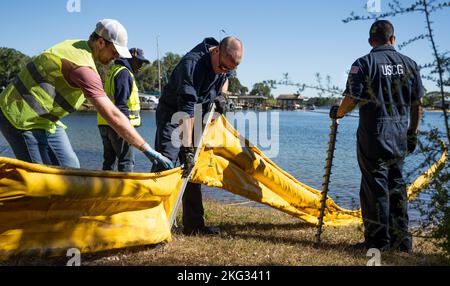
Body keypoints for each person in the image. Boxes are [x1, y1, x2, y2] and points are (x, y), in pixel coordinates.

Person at [0, 19, 173, 170]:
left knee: (71, 169)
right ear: (100, 42)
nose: (115, 57)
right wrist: (146, 148)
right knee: (43, 179)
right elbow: (113, 115)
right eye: (114, 52)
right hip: (19, 117)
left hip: (45, 120)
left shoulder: (76, 46)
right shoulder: (83, 68)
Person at [330, 20, 423, 253]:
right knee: (397, 186)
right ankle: (402, 242)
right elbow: (417, 103)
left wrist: (337, 112)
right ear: (393, 39)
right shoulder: (410, 65)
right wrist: (413, 132)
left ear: (371, 41)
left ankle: (377, 243)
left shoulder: (363, 64)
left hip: (373, 136)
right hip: (400, 135)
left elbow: (351, 99)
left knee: (375, 188)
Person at [152, 36, 244, 235]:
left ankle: (193, 225)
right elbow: (185, 111)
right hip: (174, 114)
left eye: (230, 69)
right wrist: (186, 148)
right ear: (216, 51)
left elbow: (225, 80)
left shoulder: (223, 63)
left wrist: (222, 95)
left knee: (193, 168)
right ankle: (151, 221)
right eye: (222, 67)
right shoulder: (192, 65)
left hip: (197, 113)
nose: (224, 71)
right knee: (165, 164)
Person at [97, 48, 149, 172]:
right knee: (126, 161)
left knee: (109, 162)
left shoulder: (115, 70)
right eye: (139, 62)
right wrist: (125, 129)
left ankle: (105, 189)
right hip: (118, 126)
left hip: (105, 123)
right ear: (131, 59)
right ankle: (124, 190)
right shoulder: (124, 73)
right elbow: (122, 105)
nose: (141, 66)